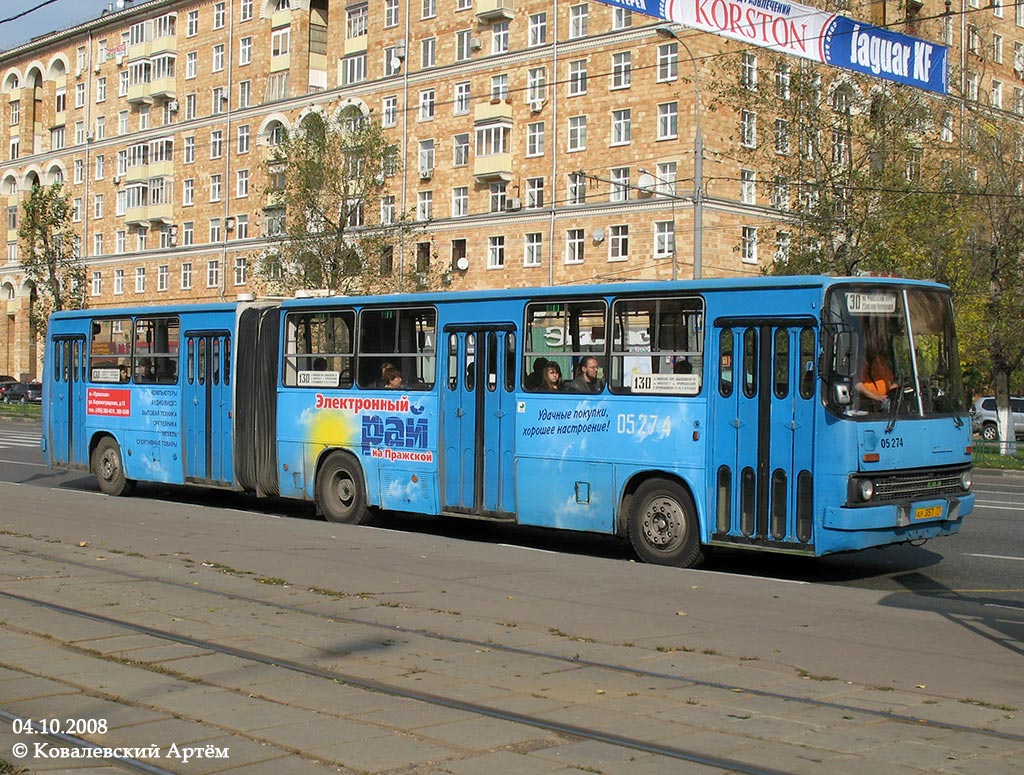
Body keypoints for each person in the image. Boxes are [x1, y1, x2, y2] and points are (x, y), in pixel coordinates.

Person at [855, 341, 897, 407]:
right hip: (868, 404)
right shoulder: (861, 360)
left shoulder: (881, 359)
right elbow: (856, 384)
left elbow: (890, 382)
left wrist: (897, 390)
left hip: (885, 402)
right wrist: (876, 397)